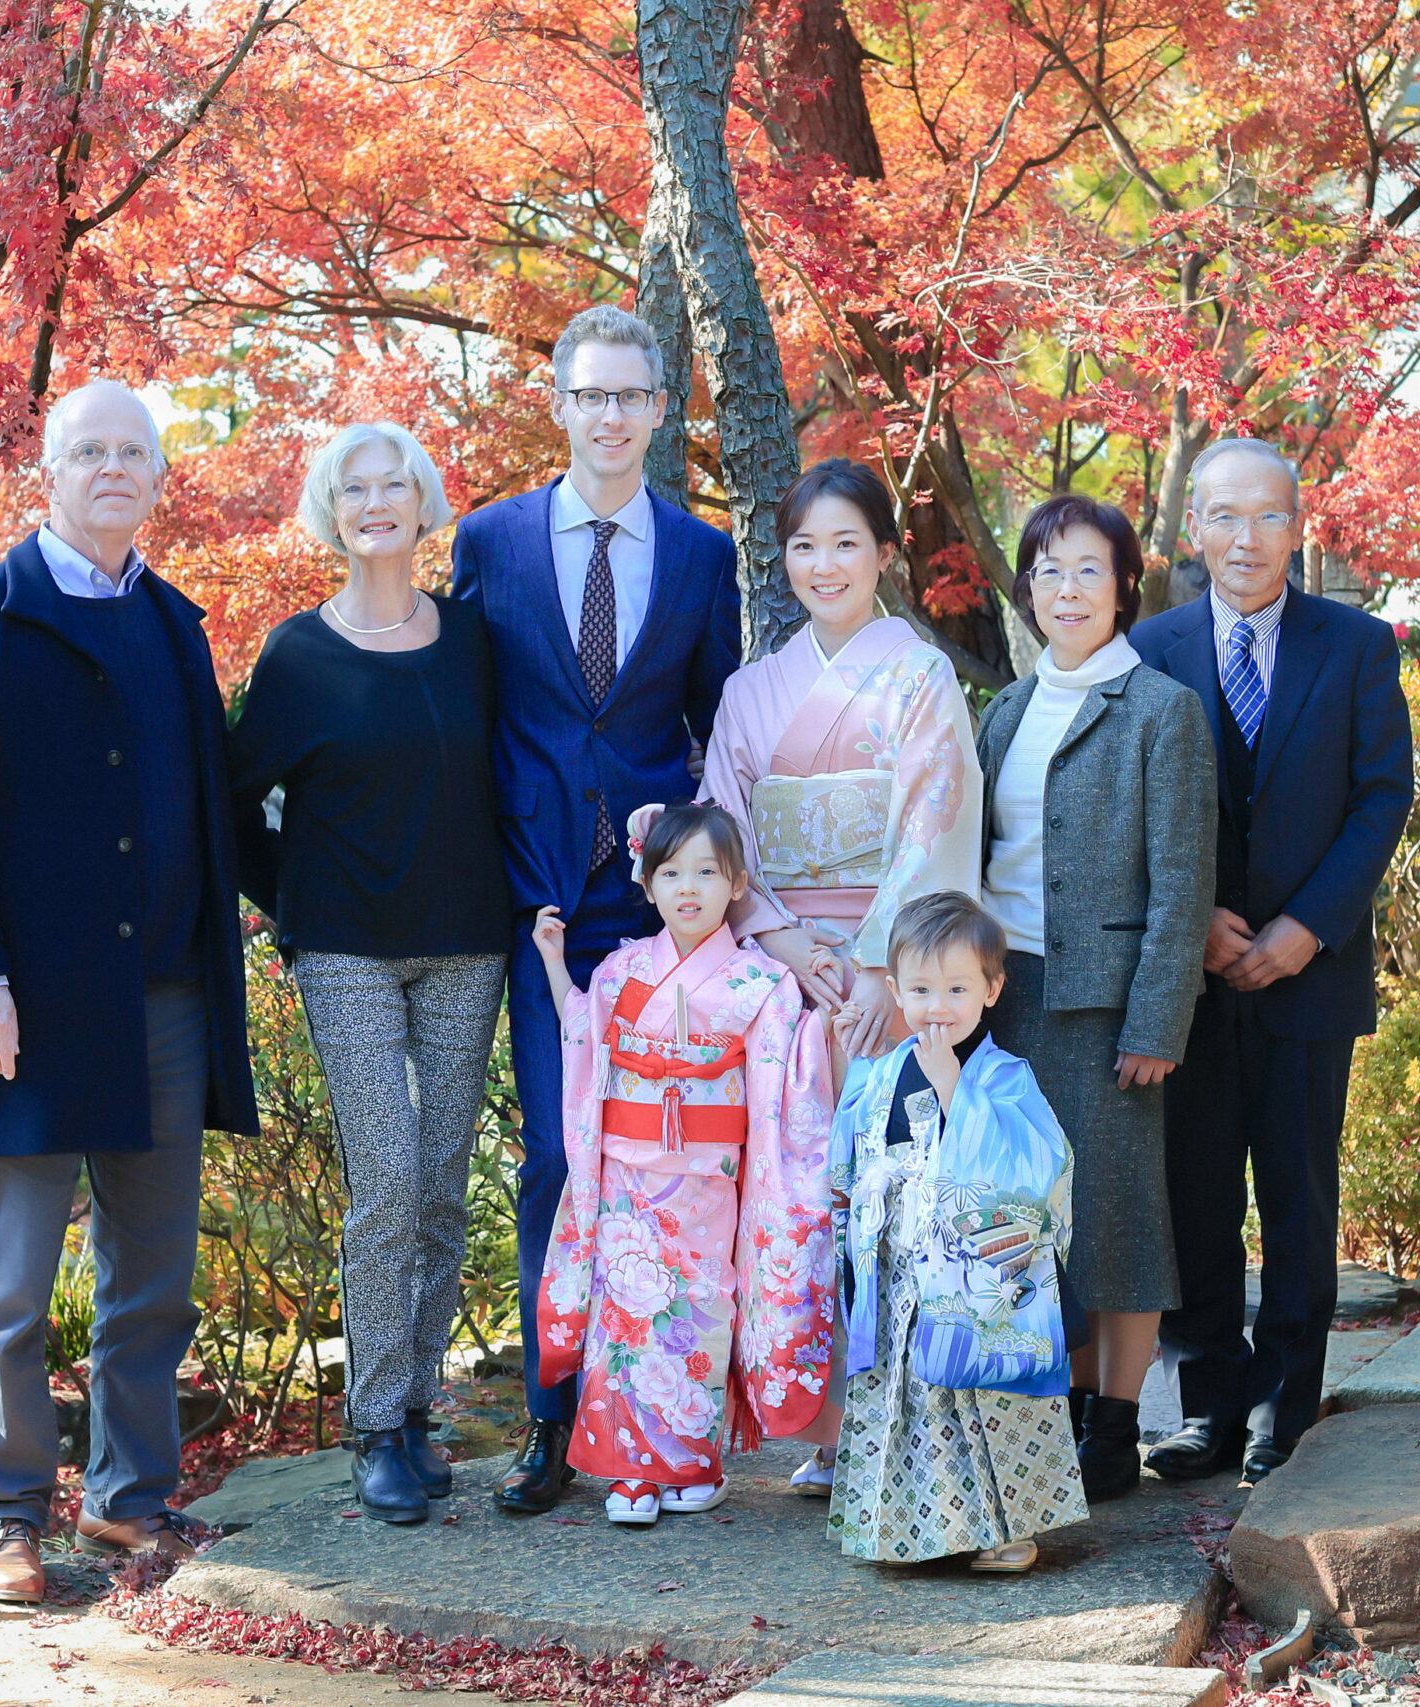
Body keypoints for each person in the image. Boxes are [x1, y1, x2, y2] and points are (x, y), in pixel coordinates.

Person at [0, 377, 259, 1603]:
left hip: (163, 997)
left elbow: (211, 806)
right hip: (26, 1007)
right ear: (47, 474)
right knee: (9, 1286)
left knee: (151, 1274)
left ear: (159, 477)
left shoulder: (174, 624)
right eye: (89, 450)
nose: (114, 467)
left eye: (134, 452)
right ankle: (5, 1518)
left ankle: (128, 1503)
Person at [450, 304, 742, 1515]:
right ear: (558, 404)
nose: (610, 415)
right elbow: (463, 710)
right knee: (562, 1157)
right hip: (537, 907)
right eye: (590, 395)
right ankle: (551, 1419)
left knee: (669, 1159)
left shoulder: (703, 554)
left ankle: (667, 1411)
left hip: (660, 907)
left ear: (660, 410)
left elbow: (719, 730)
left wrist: (714, 885)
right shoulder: (491, 540)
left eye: (632, 396)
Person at [227, 422, 514, 1526]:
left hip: (467, 942)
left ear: (424, 502)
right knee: (386, 1182)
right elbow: (233, 795)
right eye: (357, 487)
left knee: (442, 1185)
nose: (378, 500)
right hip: (345, 948)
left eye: (397, 483)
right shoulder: (299, 654)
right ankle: (375, 1422)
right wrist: (294, 906)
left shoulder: (473, 640)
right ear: (331, 511)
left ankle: (422, 1408)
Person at [1128, 437, 1413, 1487]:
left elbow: (1382, 795)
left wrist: (1307, 928)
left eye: (1267, 518)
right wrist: (1192, 914)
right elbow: (1129, 801)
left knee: (1295, 1199)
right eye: (1223, 517)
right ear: (1192, 528)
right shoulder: (1147, 650)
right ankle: (1209, 1407)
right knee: (1194, 1197)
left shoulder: (1355, 644)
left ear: (1299, 527)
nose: (1244, 539)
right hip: (1185, 977)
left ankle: (1283, 1415)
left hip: (1310, 976)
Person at [697, 457, 983, 1489]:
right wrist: (777, 940)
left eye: (845, 543)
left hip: (887, 979)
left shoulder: (917, 675)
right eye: (804, 546)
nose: (824, 565)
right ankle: (821, 1426)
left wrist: (874, 969)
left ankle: (897, 1411)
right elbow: (721, 828)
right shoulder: (748, 692)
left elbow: (933, 820)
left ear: (884, 556)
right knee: (794, 1200)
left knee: (896, 1194)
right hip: (783, 980)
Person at [975, 493, 1216, 1502]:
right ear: (1025, 587)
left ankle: (1117, 1426)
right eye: (1046, 569)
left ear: (1124, 587)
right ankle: (1064, 1413)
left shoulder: (1160, 709)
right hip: (1008, 997)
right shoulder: (1005, 709)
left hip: (1108, 1005)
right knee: (1030, 1222)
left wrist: (1157, 1020)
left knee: (1118, 1218)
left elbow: (1183, 880)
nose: (1064, 589)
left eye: (1087, 569)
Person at [529, 803, 836, 1525]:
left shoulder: (760, 982)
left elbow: (784, 1083)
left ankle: (694, 1460)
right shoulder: (622, 970)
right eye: (671, 873)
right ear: (647, 882)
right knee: (628, 1313)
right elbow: (582, 1034)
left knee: (699, 1306)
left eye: (707, 871)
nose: (688, 887)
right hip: (629, 1178)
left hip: (709, 1182)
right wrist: (551, 959)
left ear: (737, 885)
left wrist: (825, 1030)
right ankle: (629, 1470)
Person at [823, 891, 1085, 1573]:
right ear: (894, 987)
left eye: (957, 987)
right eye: (920, 988)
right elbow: (850, 1159)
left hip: (976, 1277)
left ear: (993, 988)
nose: (938, 1005)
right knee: (910, 1393)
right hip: (902, 1264)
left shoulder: (1002, 1075)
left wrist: (954, 1094)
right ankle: (914, 1529)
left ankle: (1009, 1530)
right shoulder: (880, 1071)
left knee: (980, 1397)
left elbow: (1039, 1162)